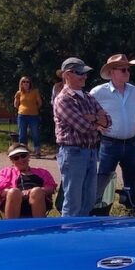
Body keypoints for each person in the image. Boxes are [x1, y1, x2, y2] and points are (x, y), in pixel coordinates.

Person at [54, 57, 111, 217]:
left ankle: (83, 234)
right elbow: (82, 126)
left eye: (85, 73)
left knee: (89, 200)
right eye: (80, 73)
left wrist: (91, 117)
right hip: (73, 153)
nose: (84, 76)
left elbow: (108, 121)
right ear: (67, 74)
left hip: (92, 152)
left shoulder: (89, 97)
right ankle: (68, 236)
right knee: (73, 202)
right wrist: (96, 119)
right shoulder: (63, 99)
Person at [90, 54, 135, 209]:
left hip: (132, 143)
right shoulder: (98, 92)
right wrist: (96, 125)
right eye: (123, 69)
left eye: (128, 69)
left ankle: (132, 212)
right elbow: (85, 110)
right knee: (104, 180)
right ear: (112, 72)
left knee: (132, 180)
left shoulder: (134, 91)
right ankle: (100, 213)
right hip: (110, 144)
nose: (127, 72)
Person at [0, 143, 57, 218]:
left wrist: (31, 192)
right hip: (14, 199)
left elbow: (51, 188)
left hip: (37, 199)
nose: (20, 159)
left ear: (28, 156)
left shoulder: (43, 172)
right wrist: (20, 193)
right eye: (16, 158)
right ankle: (12, 226)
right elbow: (1, 190)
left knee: (37, 191)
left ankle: (38, 226)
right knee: (14, 192)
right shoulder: (6, 172)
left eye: (23, 155)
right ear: (12, 160)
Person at [13, 76, 43, 157]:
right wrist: (22, 108)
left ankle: (37, 150)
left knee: (35, 132)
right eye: (23, 82)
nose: (25, 83)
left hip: (33, 115)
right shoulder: (19, 93)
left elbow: (40, 103)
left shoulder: (35, 91)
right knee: (22, 133)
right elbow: (16, 104)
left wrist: (34, 108)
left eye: (27, 82)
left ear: (30, 83)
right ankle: (24, 151)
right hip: (22, 115)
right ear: (21, 84)